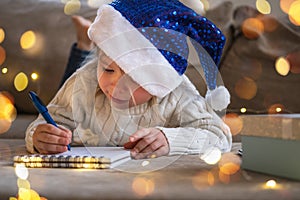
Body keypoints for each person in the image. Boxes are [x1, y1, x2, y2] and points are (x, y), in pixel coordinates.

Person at [25, 0, 232, 159]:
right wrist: (40, 137)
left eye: (134, 78)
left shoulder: (178, 94)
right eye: (107, 69)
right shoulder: (85, 81)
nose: (115, 84)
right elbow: (47, 121)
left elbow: (219, 136)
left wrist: (171, 140)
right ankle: (83, 46)